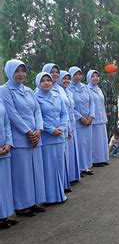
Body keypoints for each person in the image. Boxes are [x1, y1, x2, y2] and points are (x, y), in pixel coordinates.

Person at [1, 59, 46, 217]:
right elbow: (12, 114)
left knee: (35, 171)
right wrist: (28, 132)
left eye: (23, 70)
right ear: (9, 72)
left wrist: (39, 130)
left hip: (35, 137)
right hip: (21, 138)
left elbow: (37, 111)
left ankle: (33, 201)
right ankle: (21, 205)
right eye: (17, 71)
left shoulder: (28, 90)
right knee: (22, 173)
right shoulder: (5, 90)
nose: (21, 74)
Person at [34, 72, 68, 203]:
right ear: (38, 82)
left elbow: (64, 114)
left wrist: (61, 128)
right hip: (47, 136)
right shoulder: (35, 97)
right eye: (43, 80)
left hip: (59, 135)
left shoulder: (57, 95)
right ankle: (48, 197)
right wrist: (51, 130)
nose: (47, 82)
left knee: (59, 165)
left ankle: (60, 194)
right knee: (48, 166)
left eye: (48, 80)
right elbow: (37, 117)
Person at [43, 63, 73, 192]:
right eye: (52, 72)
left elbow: (65, 111)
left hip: (63, 128)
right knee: (52, 162)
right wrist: (52, 129)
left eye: (56, 72)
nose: (55, 74)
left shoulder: (60, 88)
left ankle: (62, 186)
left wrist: (67, 127)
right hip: (49, 132)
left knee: (62, 158)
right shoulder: (40, 91)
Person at [69, 66, 95, 176]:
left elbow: (91, 102)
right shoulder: (69, 88)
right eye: (75, 74)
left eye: (79, 74)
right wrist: (81, 117)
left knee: (87, 144)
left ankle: (87, 166)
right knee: (79, 145)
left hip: (88, 120)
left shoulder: (85, 87)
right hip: (79, 121)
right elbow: (71, 106)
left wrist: (91, 116)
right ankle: (79, 168)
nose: (78, 76)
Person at [58, 70, 81, 185]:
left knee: (72, 151)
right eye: (64, 78)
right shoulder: (57, 91)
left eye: (68, 78)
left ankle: (72, 176)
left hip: (72, 124)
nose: (66, 81)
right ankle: (67, 179)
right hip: (65, 126)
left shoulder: (69, 92)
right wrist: (66, 127)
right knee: (67, 152)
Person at [0, 96, 16, 229]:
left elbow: (6, 123)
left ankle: (4, 215)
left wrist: (8, 142)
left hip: (5, 148)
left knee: (4, 185)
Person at [87, 70, 109, 167]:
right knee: (95, 141)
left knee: (102, 139)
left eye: (97, 76)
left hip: (101, 117)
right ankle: (95, 160)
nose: (95, 78)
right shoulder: (87, 89)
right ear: (88, 78)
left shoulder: (99, 89)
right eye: (93, 76)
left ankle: (102, 158)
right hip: (94, 118)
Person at [101, 64, 119, 138]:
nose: (115, 73)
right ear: (109, 73)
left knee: (113, 128)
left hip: (113, 109)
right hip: (109, 110)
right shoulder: (105, 83)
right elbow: (104, 98)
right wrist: (107, 110)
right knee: (109, 129)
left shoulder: (110, 83)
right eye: (114, 71)